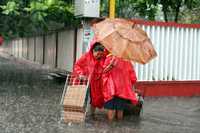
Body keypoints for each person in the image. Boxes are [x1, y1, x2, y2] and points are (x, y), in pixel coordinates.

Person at [73, 38, 106, 116]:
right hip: (85, 81)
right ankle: (81, 113)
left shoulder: (103, 58)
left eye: (101, 54)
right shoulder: (86, 56)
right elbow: (77, 65)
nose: (99, 56)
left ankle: (92, 114)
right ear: (93, 51)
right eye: (98, 54)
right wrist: (80, 74)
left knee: (95, 98)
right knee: (82, 98)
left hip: (96, 82)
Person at [102, 54, 138, 121]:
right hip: (122, 89)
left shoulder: (109, 58)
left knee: (110, 108)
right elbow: (133, 78)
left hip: (110, 88)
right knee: (120, 109)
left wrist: (110, 66)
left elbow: (103, 72)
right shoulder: (127, 61)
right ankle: (119, 126)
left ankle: (111, 126)